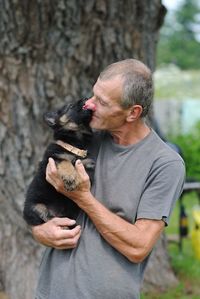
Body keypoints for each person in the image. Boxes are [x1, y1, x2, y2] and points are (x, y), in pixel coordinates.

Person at [32, 58, 185, 299]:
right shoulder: (81, 138)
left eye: (102, 102)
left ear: (133, 112)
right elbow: (41, 201)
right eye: (93, 95)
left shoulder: (164, 164)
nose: (90, 105)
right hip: (49, 292)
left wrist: (83, 197)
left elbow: (138, 247)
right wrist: (40, 231)